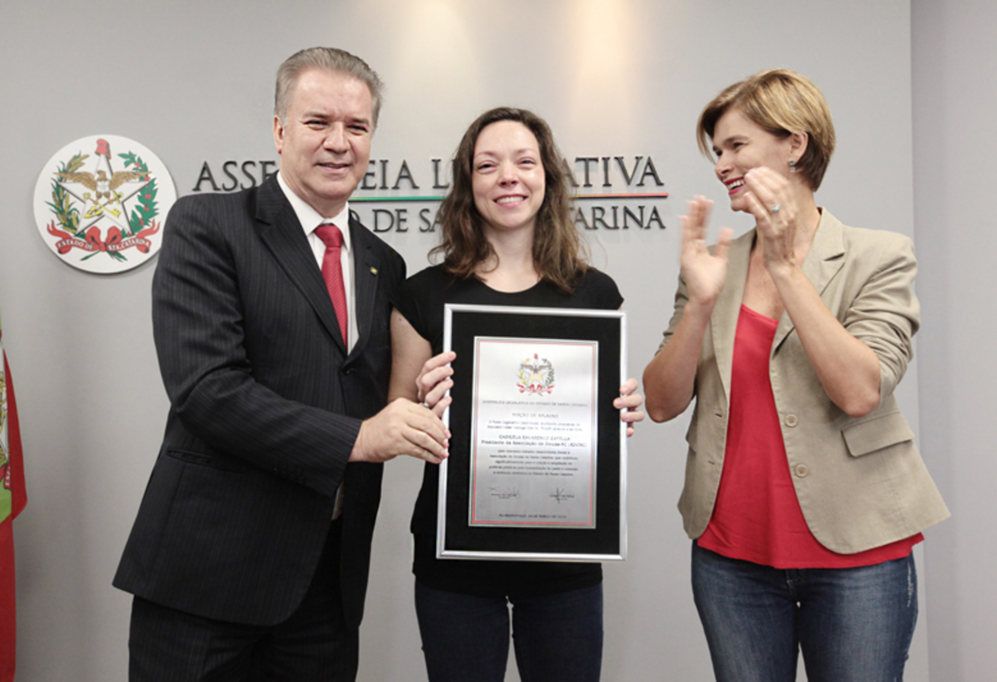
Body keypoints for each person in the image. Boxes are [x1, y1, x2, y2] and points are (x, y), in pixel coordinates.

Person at [113, 47, 449, 682]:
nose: (338, 142)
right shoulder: (208, 224)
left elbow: (379, 395)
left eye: (357, 127)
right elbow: (207, 390)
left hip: (326, 580)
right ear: (279, 129)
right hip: (209, 577)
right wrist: (359, 437)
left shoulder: (385, 263)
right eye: (318, 121)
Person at [643, 69, 949, 681]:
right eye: (717, 152)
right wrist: (700, 306)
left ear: (795, 144)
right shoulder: (714, 265)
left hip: (858, 553)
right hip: (730, 555)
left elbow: (861, 391)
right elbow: (660, 401)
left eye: (736, 146)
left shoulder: (879, 255)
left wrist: (786, 269)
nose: (722, 164)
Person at [390, 107, 644, 682]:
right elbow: (393, 419)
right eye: (488, 165)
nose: (509, 176)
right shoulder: (423, 295)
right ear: (467, 184)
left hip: (564, 557)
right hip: (455, 559)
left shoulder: (595, 294)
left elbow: (600, 415)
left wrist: (621, 410)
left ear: (547, 179)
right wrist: (421, 408)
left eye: (525, 162)